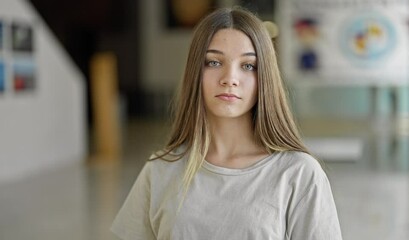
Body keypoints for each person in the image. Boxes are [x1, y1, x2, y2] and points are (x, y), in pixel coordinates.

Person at [111, 7, 342, 240]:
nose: (229, 78)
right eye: (213, 62)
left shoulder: (299, 173)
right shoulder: (161, 169)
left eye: (248, 66)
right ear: (195, 72)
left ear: (264, 78)